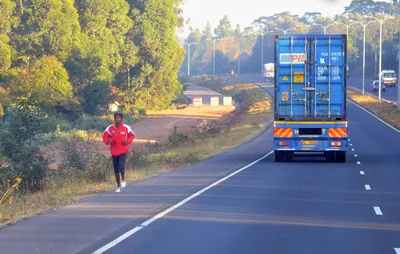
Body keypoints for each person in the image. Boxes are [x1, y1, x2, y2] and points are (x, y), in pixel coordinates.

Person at [102, 112, 135, 193]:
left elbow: (132, 135)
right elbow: (105, 137)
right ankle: (118, 186)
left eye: (119, 117)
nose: (118, 119)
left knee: (121, 166)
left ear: (121, 119)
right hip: (114, 151)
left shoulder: (126, 127)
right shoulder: (110, 128)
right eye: (116, 117)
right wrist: (107, 141)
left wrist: (127, 141)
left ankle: (123, 179)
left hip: (123, 150)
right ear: (114, 119)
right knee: (116, 170)